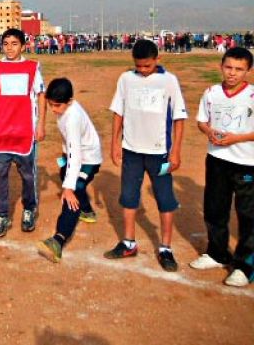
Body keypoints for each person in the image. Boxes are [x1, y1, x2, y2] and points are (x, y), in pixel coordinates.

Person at [105, 39, 187, 272]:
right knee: (129, 197)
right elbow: (118, 112)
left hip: (159, 153)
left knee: (165, 199)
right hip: (131, 150)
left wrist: (176, 151)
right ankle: (128, 242)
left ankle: (165, 248)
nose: (142, 70)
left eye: (147, 66)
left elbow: (179, 119)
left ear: (157, 60)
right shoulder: (126, 79)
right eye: (138, 66)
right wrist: (114, 143)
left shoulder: (169, 81)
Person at [191, 47, 254, 287]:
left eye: (239, 69)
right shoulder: (211, 93)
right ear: (221, 66)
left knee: (247, 214)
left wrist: (236, 139)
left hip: (246, 163)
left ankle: (244, 266)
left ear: (248, 70)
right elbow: (201, 121)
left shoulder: (252, 95)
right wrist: (209, 132)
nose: (232, 73)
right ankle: (217, 254)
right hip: (217, 160)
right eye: (228, 67)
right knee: (215, 208)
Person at [0, 28, 46, 238]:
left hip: (24, 132)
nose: (10, 48)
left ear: (23, 46)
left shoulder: (32, 67)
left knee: (28, 175)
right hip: (2, 132)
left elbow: (40, 96)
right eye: (6, 43)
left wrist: (40, 125)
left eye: (14, 43)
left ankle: (29, 209)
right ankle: (2, 214)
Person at [36, 78, 102, 262]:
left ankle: (58, 240)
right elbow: (70, 146)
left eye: (58, 105)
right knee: (65, 175)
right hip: (76, 154)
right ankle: (87, 211)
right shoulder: (64, 110)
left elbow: (76, 154)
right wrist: (64, 157)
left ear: (70, 101)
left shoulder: (73, 117)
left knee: (73, 192)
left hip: (88, 159)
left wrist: (68, 188)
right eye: (50, 105)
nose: (54, 109)